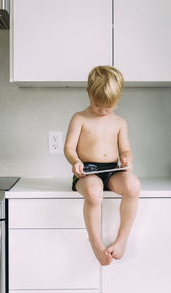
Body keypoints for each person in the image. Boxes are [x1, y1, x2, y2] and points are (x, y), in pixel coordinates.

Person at [64, 65, 141, 266]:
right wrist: (76, 162)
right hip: (87, 172)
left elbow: (125, 150)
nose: (102, 110)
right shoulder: (79, 118)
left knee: (133, 186)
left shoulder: (120, 122)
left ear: (118, 100)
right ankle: (95, 242)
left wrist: (127, 159)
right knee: (94, 192)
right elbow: (69, 148)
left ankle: (122, 240)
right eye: (98, 105)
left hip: (112, 170)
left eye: (108, 106)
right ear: (88, 93)